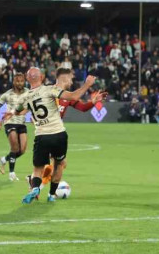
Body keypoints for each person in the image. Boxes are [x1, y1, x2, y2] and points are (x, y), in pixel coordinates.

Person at [5, 67, 95, 203]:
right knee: (60, 164)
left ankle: (35, 187)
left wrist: (12, 112)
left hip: (42, 136)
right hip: (59, 134)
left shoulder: (25, 97)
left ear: (27, 79)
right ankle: (51, 195)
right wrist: (87, 84)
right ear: (41, 77)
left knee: (38, 169)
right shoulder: (50, 90)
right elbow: (74, 96)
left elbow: (18, 111)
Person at [25, 69, 108, 189]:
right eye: (71, 78)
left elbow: (83, 107)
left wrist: (93, 102)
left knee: (60, 164)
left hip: (56, 133)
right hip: (45, 133)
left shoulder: (65, 96)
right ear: (65, 78)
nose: (72, 81)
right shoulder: (49, 91)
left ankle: (36, 184)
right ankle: (37, 184)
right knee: (55, 164)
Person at [0, 73, 29, 181]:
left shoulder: (28, 93)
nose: (20, 83)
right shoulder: (7, 95)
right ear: (14, 82)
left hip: (22, 123)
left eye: (21, 81)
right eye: (17, 81)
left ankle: (4, 159)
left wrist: (22, 113)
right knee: (14, 147)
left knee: (22, 150)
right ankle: (12, 173)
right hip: (9, 122)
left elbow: (28, 107)